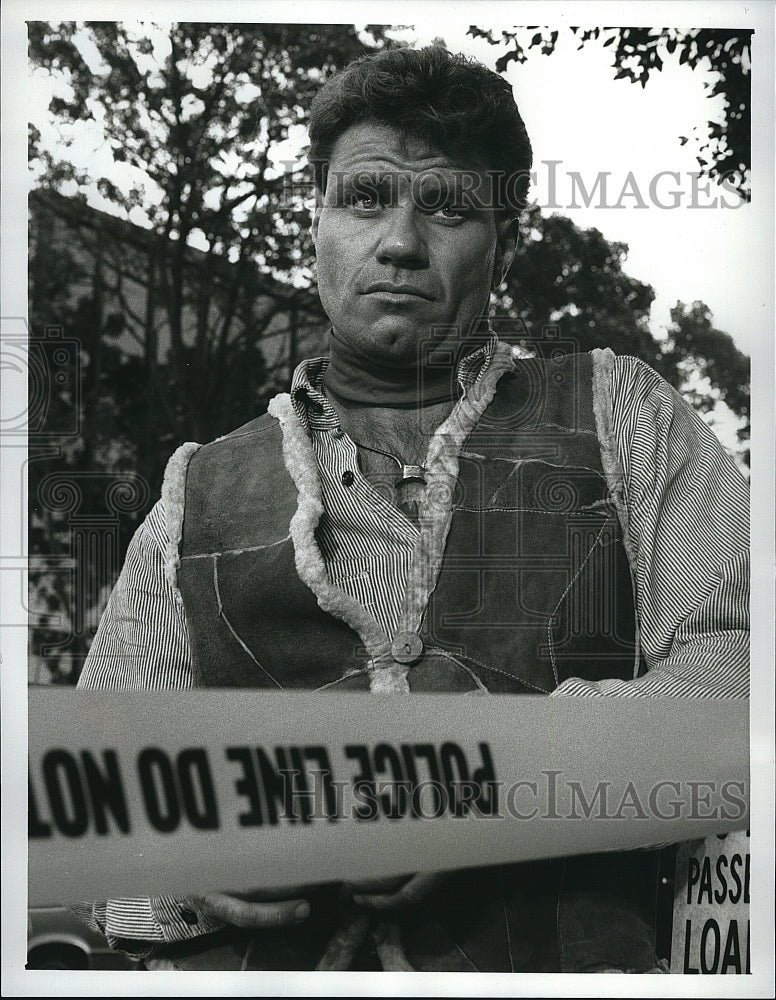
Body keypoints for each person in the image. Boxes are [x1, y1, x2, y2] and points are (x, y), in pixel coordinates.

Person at [73, 45, 749, 973]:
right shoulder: (197, 494)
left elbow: (743, 690)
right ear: (316, 223)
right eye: (365, 198)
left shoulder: (622, 414)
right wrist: (199, 852)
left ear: (499, 243)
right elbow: (98, 800)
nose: (399, 241)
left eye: (448, 206)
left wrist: (481, 778)